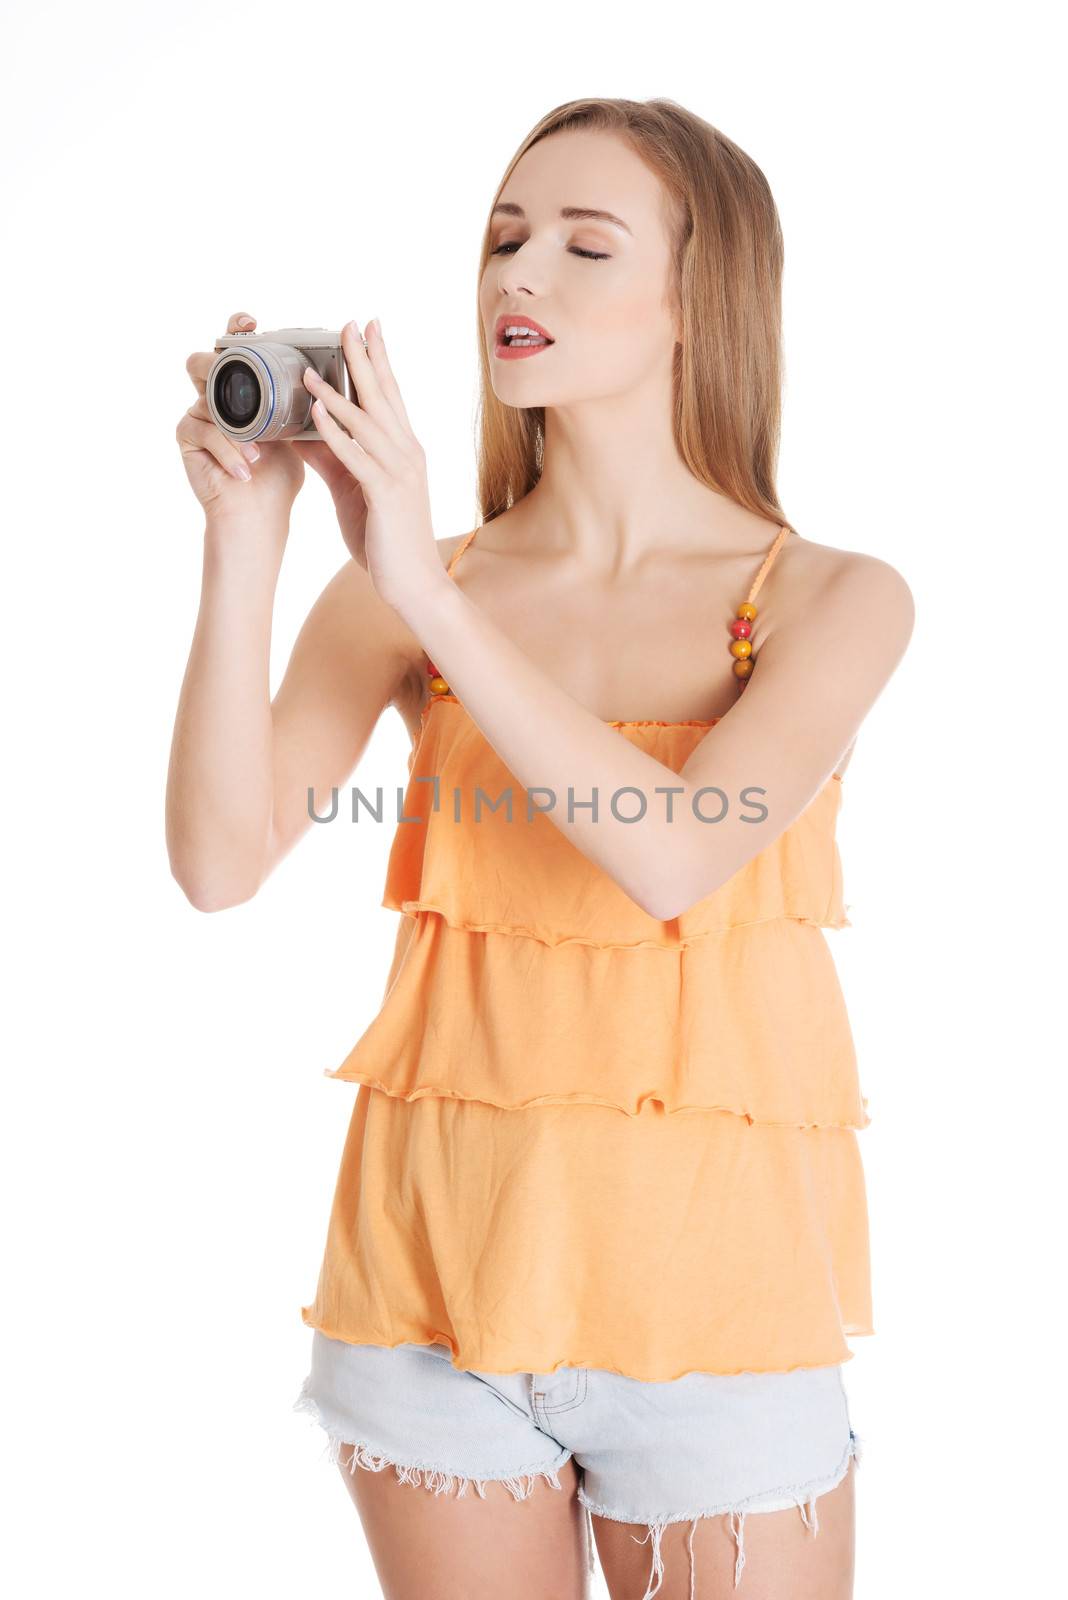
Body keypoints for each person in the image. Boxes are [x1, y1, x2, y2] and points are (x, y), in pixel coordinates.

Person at [168, 97, 914, 1600]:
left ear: (699, 302)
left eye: (584, 246)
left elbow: (677, 860)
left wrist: (433, 599)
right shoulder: (408, 584)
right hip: (432, 1296)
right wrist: (246, 543)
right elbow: (217, 861)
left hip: (718, 1314)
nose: (520, 279)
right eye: (505, 240)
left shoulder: (835, 597)